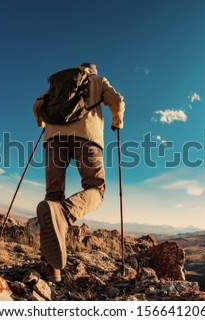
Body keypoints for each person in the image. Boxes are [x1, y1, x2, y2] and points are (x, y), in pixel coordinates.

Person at [32, 63, 125, 282]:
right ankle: (64, 214)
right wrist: (116, 122)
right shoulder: (98, 80)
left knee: (52, 196)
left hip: (53, 138)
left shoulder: (59, 83)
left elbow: (38, 105)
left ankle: (51, 268)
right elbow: (118, 101)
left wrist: (43, 124)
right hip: (86, 136)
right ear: (93, 70)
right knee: (96, 188)